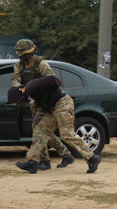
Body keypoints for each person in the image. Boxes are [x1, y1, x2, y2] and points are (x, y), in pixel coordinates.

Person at [8, 75, 101, 174]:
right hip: (51, 109)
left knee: (67, 135)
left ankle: (92, 157)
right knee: (40, 131)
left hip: (62, 104)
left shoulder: (31, 86)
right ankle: (32, 162)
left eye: (16, 102)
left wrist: (56, 87)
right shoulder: (29, 97)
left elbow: (52, 79)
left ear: (21, 92)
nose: (16, 104)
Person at [12, 39, 73, 170]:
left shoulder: (41, 64)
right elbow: (16, 80)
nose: (18, 54)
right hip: (34, 100)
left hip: (46, 100)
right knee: (40, 130)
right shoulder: (19, 66)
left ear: (28, 52)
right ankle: (57, 157)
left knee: (40, 130)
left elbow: (51, 80)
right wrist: (21, 90)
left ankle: (46, 160)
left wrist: (35, 88)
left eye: (21, 51)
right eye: (17, 51)